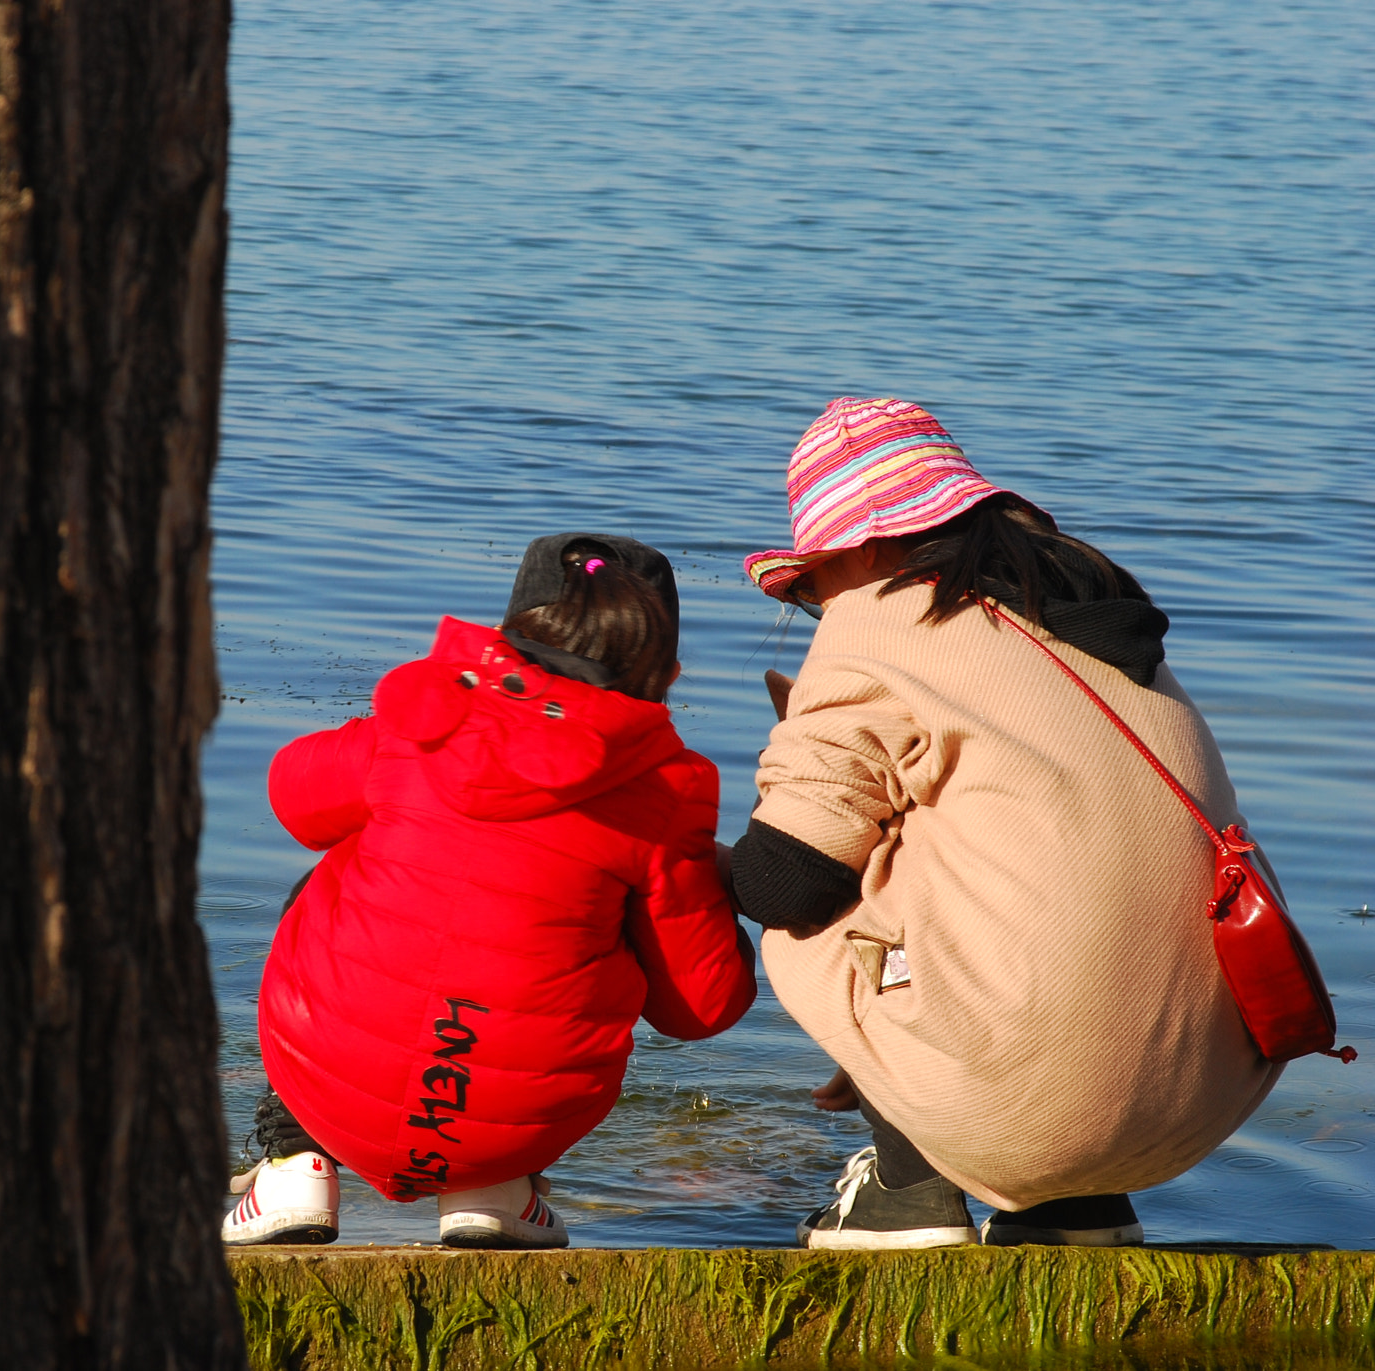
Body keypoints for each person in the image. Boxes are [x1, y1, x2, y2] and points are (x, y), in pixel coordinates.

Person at [732, 396, 1282, 1250]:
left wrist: (663, 850)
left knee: (820, 885)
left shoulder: (879, 618)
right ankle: (1073, 1208)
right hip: (1202, 1098)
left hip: (1041, 1091)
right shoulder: (1097, 621)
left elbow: (785, 881)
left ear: (867, 546)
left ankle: (906, 1192)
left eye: (811, 583)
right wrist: (892, 1055)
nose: (816, 604)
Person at [225, 533, 758, 1249]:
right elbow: (700, 1006)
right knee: (584, 921)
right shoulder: (668, 790)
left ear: (511, 631)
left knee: (344, 862)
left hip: (327, 1091)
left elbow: (292, 797)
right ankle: (495, 1191)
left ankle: (293, 1165)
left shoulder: (420, 722)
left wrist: (386, 738)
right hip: (514, 1125)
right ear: (668, 668)